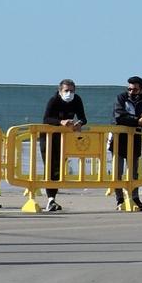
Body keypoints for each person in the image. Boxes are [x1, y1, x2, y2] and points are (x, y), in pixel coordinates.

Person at [110, 76, 142, 211]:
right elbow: (119, 117)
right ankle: (120, 199)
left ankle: (134, 197)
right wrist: (138, 121)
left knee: (134, 172)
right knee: (117, 172)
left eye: (135, 89)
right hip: (118, 138)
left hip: (135, 139)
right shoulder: (121, 98)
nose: (131, 91)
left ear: (141, 89)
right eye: (129, 88)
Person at [40, 80, 85, 212]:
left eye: (71, 91)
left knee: (58, 169)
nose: (69, 93)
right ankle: (50, 200)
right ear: (60, 91)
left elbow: (83, 117)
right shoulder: (54, 100)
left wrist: (79, 123)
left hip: (64, 138)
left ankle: (53, 199)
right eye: (66, 91)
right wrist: (61, 122)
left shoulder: (77, 100)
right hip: (47, 137)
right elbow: (46, 119)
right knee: (49, 166)